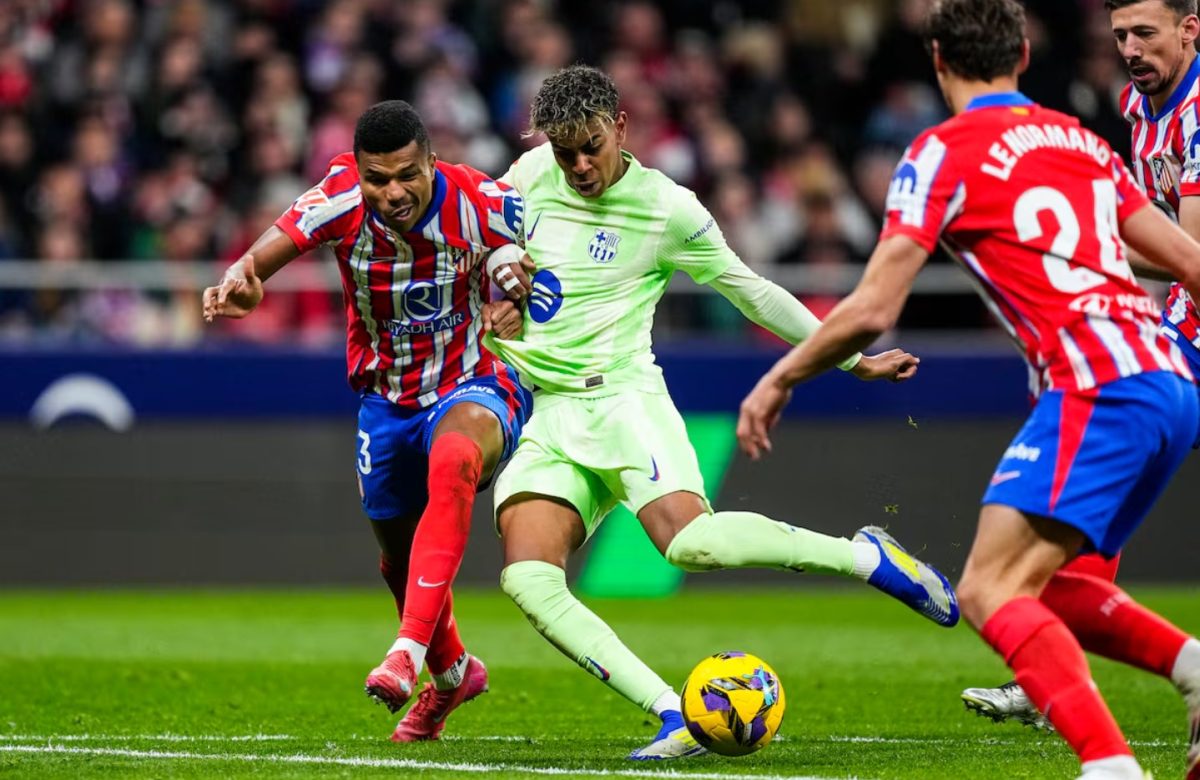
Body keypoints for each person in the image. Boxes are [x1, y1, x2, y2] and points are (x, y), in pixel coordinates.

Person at [737, 2, 1200, 778]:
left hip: (1095, 383)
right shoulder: (1081, 139)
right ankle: (1190, 669)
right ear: (1022, 53)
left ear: (939, 60)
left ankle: (1109, 765)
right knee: (1054, 588)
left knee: (986, 588)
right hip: (1169, 379)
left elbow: (875, 308)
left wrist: (781, 375)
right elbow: (1190, 260)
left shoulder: (939, 154)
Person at [483, 64, 958, 762]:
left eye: (590, 145)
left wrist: (852, 358)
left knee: (691, 545)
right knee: (526, 577)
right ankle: (674, 713)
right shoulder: (528, 176)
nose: (579, 164)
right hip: (546, 413)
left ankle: (866, 558)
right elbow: (485, 237)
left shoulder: (667, 208)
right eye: (564, 151)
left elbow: (754, 293)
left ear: (620, 125)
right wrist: (498, 272)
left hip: (622, 401)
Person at [201, 100, 531, 742]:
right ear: (360, 171)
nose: (394, 191)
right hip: (385, 400)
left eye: (408, 174)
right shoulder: (340, 196)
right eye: (378, 178)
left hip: (474, 382)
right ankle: (453, 673)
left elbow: (536, 266)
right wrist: (241, 283)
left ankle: (405, 651)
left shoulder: (483, 200)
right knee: (398, 557)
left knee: (454, 460)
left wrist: (517, 296)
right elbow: (262, 257)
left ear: (431, 160)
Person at [960, 0, 1200, 731]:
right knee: (1094, 517)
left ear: (1192, 28)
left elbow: (1187, 253)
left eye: (1146, 34)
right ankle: (1050, 666)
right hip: (1179, 334)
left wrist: (1073, 244)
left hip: (1184, 332)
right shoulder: (1139, 103)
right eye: (1120, 34)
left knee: (1085, 509)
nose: (1129, 49)